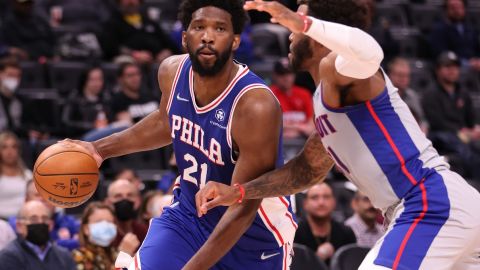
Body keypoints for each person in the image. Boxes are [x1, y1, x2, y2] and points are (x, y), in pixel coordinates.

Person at [196, 1, 480, 269]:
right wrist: (239, 192)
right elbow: (306, 170)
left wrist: (304, 23)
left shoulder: (341, 68)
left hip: (429, 201)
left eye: (299, 21)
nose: (290, 32)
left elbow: (371, 52)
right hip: (442, 205)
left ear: (320, 28)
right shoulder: (326, 99)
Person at [67, 0, 296, 269]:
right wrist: (99, 150)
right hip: (187, 217)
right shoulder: (172, 72)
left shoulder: (255, 105)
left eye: (220, 29)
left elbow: (244, 206)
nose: (208, 36)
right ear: (185, 38)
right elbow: (166, 122)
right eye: (199, 27)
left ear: (235, 41)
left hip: (253, 234)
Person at [422, 51, 480, 179]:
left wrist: (474, 129)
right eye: (447, 67)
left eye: (455, 67)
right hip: (441, 138)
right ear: (438, 70)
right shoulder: (430, 94)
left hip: (464, 137)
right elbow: (436, 122)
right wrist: (461, 133)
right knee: (463, 153)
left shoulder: (463, 92)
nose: (452, 70)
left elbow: (471, 119)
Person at [0, 200, 76, 270]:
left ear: (51, 225)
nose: (40, 222)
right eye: (33, 219)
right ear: (19, 226)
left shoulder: (63, 255)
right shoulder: (9, 256)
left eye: (44, 219)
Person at [8, 180, 80, 251]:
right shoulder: (16, 223)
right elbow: (37, 247)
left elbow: (83, 241)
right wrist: (68, 242)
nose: (43, 199)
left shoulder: (68, 221)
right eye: (38, 195)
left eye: (48, 195)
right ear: (26, 199)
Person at [100, 0, 179, 63]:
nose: (131, 2)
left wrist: (165, 51)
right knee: (126, 61)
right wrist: (134, 54)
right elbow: (110, 47)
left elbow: (169, 43)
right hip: (130, 60)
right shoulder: (112, 22)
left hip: (156, 60)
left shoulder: (149, 21)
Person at [294, 183, 356, 263]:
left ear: (334, 202)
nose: (321, 202)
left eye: (326, 197)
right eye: (314, 197)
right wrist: (317, 258)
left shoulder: (346, 232)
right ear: (305, 204)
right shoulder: (294, 234)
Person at [72, 202, 139, 270]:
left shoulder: (115, 252)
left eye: (110, 222)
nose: (106, 225)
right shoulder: (79, 256)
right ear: (86, 229)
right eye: (99, 221)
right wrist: (124, 256)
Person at [270, 57, 315, 139]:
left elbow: (311, 127)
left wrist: (291, 130)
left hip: (302, 142)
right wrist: (300, 128)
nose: (286, 78)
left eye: (289, 73)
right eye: (282, 74)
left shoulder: (304, 94)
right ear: (275, 76)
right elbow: (268, 127)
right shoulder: (269, 94)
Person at [62, 66, 112, 138]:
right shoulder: (75, 98)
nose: (97, 83)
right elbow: (66, 123)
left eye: (100, 79)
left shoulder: (106, 97)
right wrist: (92, 126)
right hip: (80, 138)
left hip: (103, 138)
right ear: (85, 80)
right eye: (93, 80)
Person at [429, 0, 480, 70]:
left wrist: (477, 60)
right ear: (446, 10)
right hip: (452, 67)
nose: (457, 11)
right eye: (453, 8)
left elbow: (477, 48)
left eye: (459, 7)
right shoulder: (439, 29)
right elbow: (441, 53)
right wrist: (465, 63)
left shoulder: (471, 28)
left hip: (474, 65)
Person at [387, 57, 427, 131]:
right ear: (390, 75)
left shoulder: (413, 96)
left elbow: (422, 120)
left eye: (406, 76)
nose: (403, 79)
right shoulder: (382, 97)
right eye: (400, 75)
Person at [104, 179, 145, 251]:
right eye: (118, 196)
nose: (124, 200)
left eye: (129, 195)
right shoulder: (104, 233)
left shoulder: (144, 232)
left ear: (137, 201)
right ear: (108, 203)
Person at [0, 131, 32, 220]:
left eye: (13, 147)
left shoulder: (28, 175)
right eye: (4, 147)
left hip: (24, 221)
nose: (9, 151)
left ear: (18, 150)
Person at [0, 59, 22, 132]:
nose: (14, 79)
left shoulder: (18, 101)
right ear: (1, 74)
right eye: (10, 75)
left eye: (17, 76)